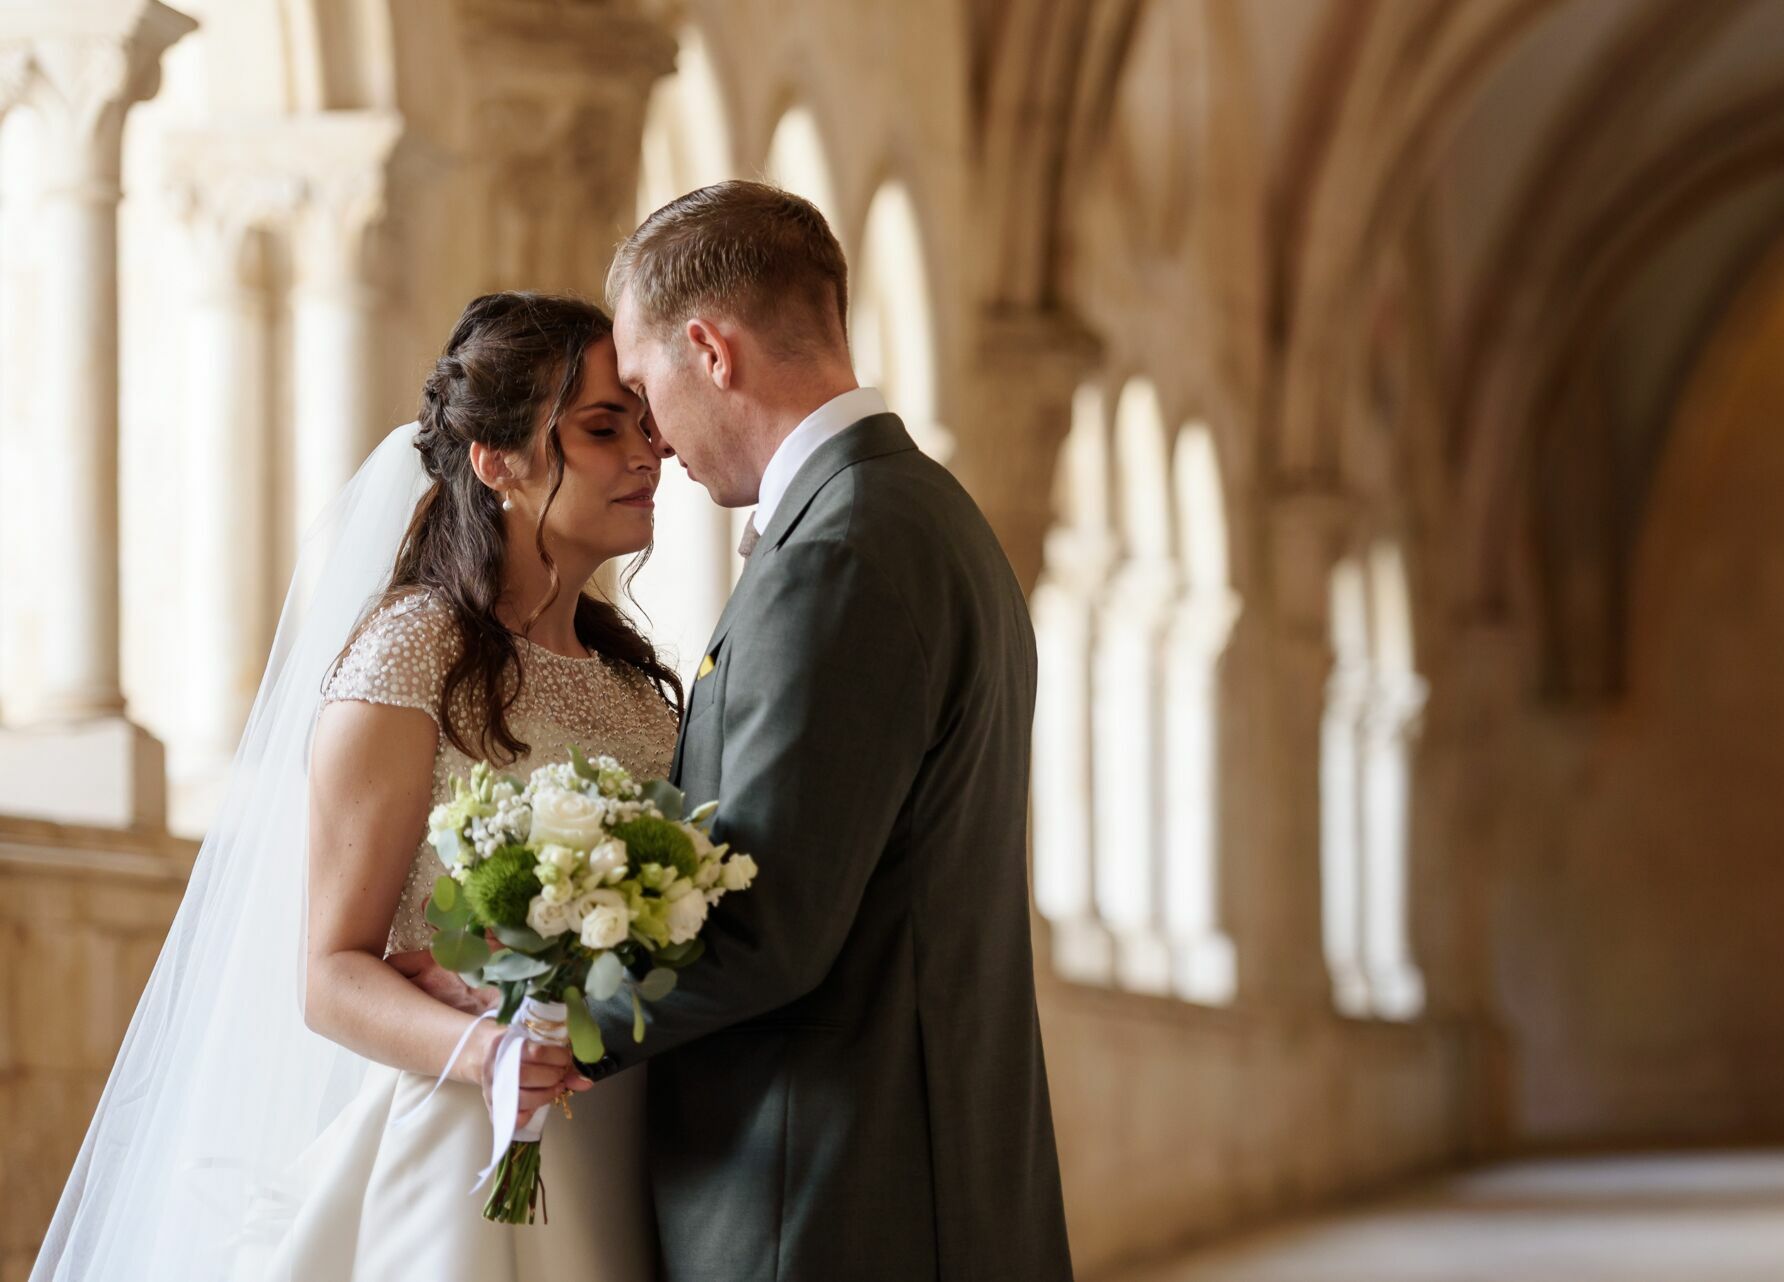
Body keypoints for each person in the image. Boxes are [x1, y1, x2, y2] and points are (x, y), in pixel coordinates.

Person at [32, 292, 678, 1280]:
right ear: (497, 462)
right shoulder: (413, 654)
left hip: (638, 1132)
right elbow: (331, 973)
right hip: (481, 1136)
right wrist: (488, 1051)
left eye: (645, 422)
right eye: (604, 426)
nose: (651, 451)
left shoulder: (637, 687)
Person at [584, 178, 1075, 1279]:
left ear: (710, 351)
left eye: (641, 383)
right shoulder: (927, 514)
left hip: (829, 1195)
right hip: (909, 1171)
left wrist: (540, 1014)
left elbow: (770, 924)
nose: (650, 434)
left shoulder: (837, 555)